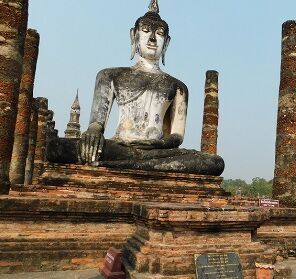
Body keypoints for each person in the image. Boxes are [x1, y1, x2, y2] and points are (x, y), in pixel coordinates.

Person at [46, 0, 224, 176]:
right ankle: (135, 164)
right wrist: (93, 132)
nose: (153, 39)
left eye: (159, 34)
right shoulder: (110, 75)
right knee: (55, 147)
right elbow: (96, 124)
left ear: (167, 42)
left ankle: (123, 165)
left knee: (214, 163)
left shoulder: (178, 87)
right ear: (134, 35)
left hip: (157, 151)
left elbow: (176, 136)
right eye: (146, 31)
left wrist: (157, 144)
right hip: (119, 147)